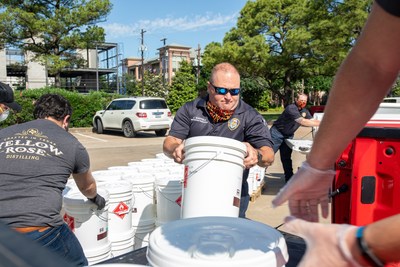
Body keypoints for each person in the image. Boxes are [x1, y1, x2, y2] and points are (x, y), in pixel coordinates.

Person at [272, 1, 400, 266]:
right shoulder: (290, 107)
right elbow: (372, 63)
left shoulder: (303, 109)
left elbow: (374, 65)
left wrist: (359, 246)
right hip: (277, 136)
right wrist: (316, 165)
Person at [0, 93, 106, 267]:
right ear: (66, 119)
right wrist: (95, 198)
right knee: (78, 262)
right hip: (38, 232)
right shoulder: (71, 144)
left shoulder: (4, 133)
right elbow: (87, 186)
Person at [163, 62, 274, 218]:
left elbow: (268, 155)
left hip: (233, 193)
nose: (228, 97)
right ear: (210, 87)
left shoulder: (249, 115)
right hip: (196, 192)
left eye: (235, 91)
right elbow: (169, 141)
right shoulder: (190, 109)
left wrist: (256, 153)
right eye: (222, 91)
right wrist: (177, 147)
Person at [270, 93, 320, 182]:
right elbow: (303, 121)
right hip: (276, 134)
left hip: (288, 135)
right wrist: (321, 123)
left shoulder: (304, 110)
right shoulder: (291, 108)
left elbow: (311, 120)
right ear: (296, 100)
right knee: (268, 155)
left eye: (305, 101)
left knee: (286, 158)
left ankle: (289, 179)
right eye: (301, 100)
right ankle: (258, 177)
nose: (303, 102)